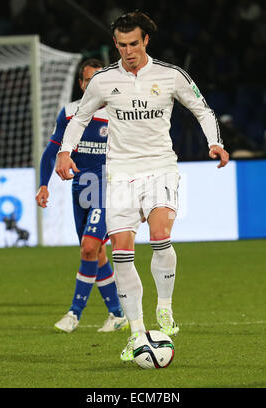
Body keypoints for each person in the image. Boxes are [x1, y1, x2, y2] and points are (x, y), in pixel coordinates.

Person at [55, 11, 229, 361]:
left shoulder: (169, 75)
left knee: (161, 231)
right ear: (115, 44)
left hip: (159, 167)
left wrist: (215, 141)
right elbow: (81, 118)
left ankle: (164, 305)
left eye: (134, 43)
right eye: (121, 45)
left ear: (146, 40)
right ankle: (136, 332)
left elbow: (202, 109)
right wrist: (64, 152)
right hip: (119, 173)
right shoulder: (104, 80)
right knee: (121, 249)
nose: (128, 51)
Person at [36, 58, 128, 333]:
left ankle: (74, 314)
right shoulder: (70, 112)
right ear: (81, 83)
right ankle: (117, 314)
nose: (93, 85)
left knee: (89, 247)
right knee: (95, 252)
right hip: (81, 188)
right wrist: (44, 184)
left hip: (109, 188)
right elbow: (52, 151)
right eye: (88, 81)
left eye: (98, 80)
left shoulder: (118, 112)